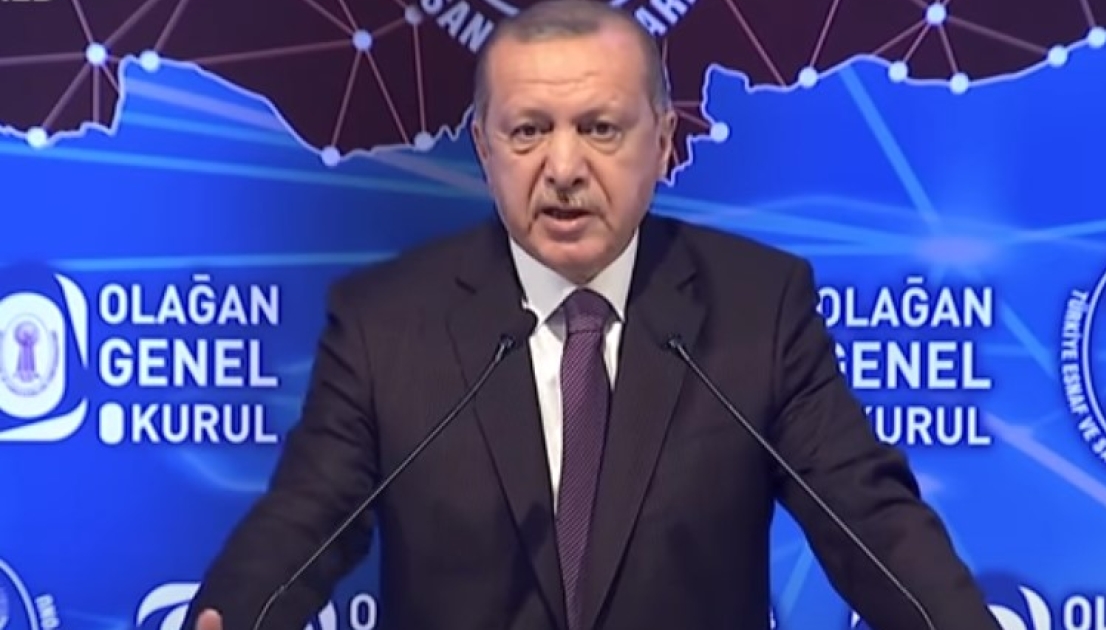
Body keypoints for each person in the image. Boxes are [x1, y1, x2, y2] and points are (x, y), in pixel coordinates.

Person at [185, 1, 1001, 628]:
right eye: (529, 131)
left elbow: (869, 522)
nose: (564, 167)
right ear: (484, 148)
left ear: (664, 140)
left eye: (600, 129)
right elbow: (304, 522)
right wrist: (234, 614)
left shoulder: (758, 308)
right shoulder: (385, 324)